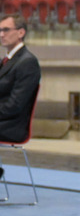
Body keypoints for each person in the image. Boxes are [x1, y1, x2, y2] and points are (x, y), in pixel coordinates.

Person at [0, 14, 41, 144]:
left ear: (21, 32)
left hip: (11, 126)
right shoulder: (5, 61)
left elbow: (15, 105)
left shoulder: (28, 62)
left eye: (6, 30)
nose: (1, 35)